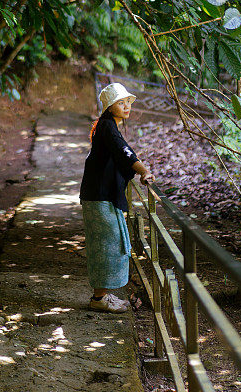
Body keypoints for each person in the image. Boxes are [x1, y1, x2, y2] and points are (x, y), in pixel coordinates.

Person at [79, 82, 154, 313]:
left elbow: (121, 151)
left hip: (99, 195)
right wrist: (143, 171)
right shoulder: (107, 127)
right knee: (109, 244)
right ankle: (99, 298)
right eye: (120, 103)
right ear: (110, 107)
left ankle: (103, 295)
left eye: (127, 102)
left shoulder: (106, 126)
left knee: (109, 243)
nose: (126, 106)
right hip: (98, 196)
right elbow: (125, 151)